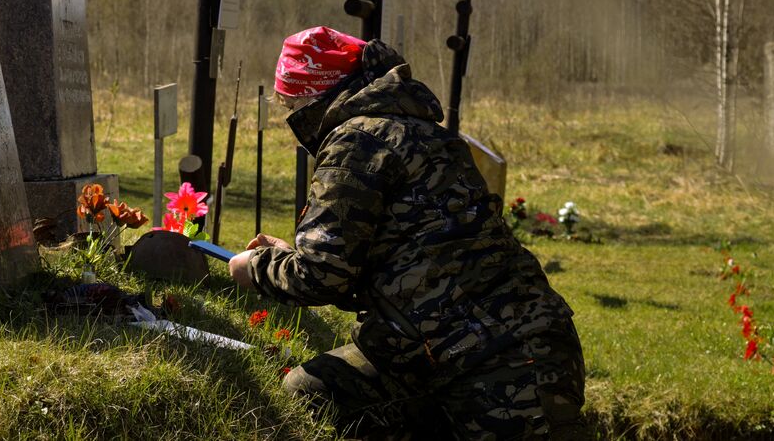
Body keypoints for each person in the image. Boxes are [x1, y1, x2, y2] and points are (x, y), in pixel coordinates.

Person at [228, 26, 586, 440]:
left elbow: (323, 276)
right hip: (504, 347)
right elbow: (401, 262)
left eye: (289, 102)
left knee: (314, 391)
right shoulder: (425, 133)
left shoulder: (354, 141)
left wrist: (253, 267)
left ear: (310, 97)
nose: (289, 114)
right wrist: (292, 255)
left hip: (501, 367)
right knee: (313, 388)